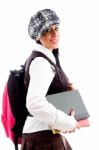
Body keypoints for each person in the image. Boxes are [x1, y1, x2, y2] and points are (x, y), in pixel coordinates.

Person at [21, 8, 80, 150]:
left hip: (45, 135)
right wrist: (66, 122)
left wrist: (66, 91)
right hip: (44, 138)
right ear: (37, 36)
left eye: (56, 28)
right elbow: (34, 103)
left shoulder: (45, 57)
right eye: (47, 30)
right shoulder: (41, 62)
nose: (54, 34)